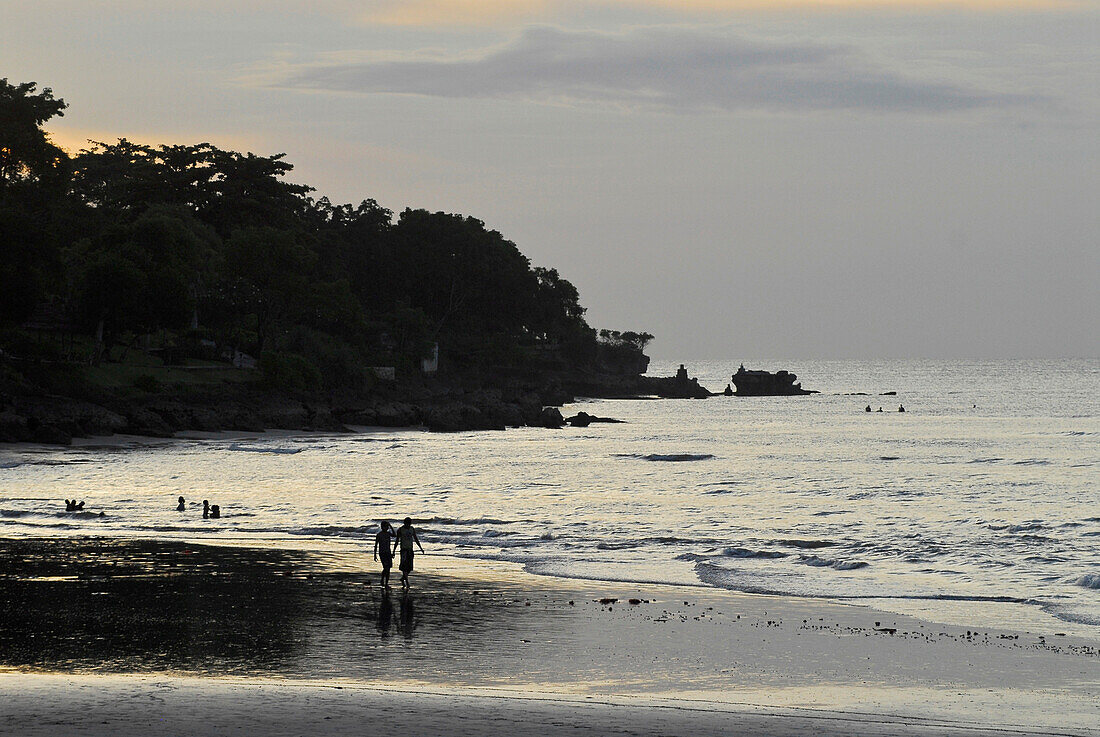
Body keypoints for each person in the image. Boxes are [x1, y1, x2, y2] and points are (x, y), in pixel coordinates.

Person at [393, 517, 424, 590]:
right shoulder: (400, 530)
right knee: (404, 567)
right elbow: (397, 541)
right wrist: (394, 550)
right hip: (403, 550)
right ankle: (407, 582)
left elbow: (416, 539)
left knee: (410, 567)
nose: (408, 525)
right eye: (407, 523)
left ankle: (403, 578)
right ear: (404, 523)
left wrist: (420, 548)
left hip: (410, 550)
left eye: (409, 523)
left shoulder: (412, 529)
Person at [374, 521, 396, 587]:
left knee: (388, 568)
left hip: (388, 553)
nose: (386, 528)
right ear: (382, 527)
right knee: (386, 567)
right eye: (385, 526)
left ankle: (386, 583)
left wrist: (391, 526)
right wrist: (375, 555)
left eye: (387, 526)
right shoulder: (379, 535)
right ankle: (382, 579)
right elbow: (376, 545)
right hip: (382, 553)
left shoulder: (388, 534)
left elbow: (394, 535)